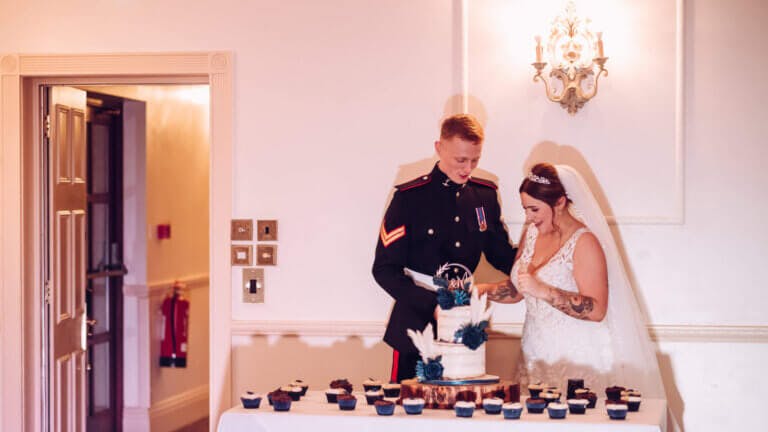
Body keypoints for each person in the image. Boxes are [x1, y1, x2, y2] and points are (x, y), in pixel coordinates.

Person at [482, 162, 666, 398]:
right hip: (534, 355)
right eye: (525, 208)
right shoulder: (532, 234)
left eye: (535, 209)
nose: (528, 217)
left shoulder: (584, 242)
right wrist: (479, 290)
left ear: (559, 203)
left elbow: (597, 310)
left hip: (577, 357)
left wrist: (545, 291)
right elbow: (517, 290)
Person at [372, 114, 517, 383]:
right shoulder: (409, 198)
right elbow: (383, 269)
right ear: (439, 148)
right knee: (410, 413)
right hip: (417, 324)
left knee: (464, 411)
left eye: (475, 160)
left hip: (466, 323)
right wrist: (433, 304)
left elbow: (501, 253)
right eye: (460, 160)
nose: (467, 168)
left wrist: (536, 263)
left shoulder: (484, 196)